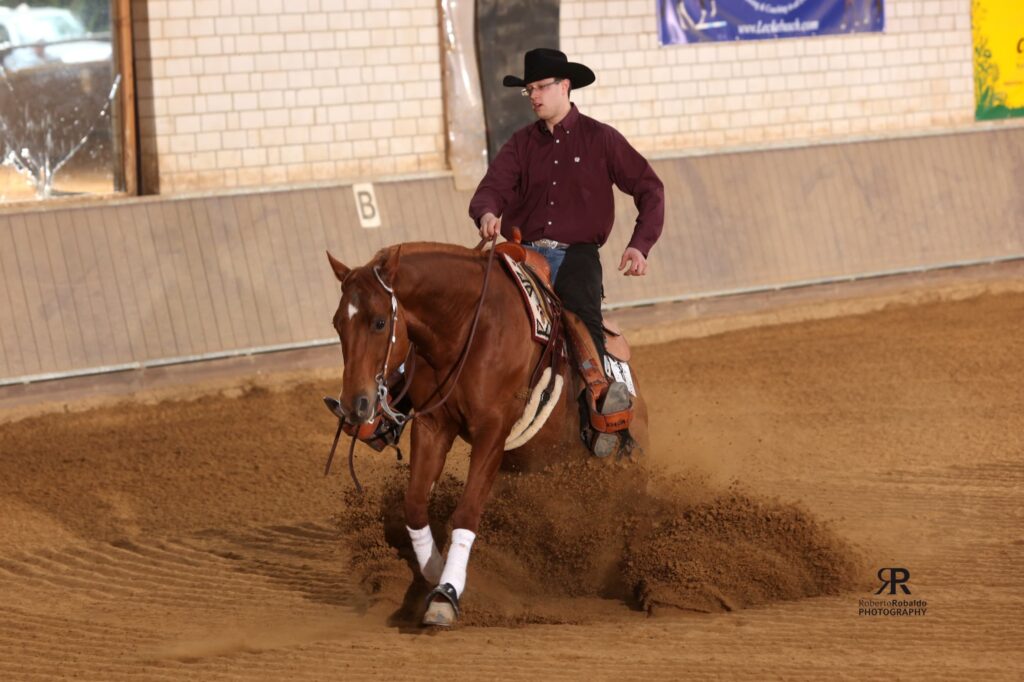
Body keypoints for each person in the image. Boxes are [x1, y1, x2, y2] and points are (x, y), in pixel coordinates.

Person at [469, 47, 664, 456]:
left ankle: (603, 412)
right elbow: (492, 188)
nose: (534, 96)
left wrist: (639, 244)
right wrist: (487, 213)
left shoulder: (601, 139)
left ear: (565, 86)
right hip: (522, 254)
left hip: (577, 255)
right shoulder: (520, 145)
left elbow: (650, 188)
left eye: (541, 87)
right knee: (477, 310)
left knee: (582, 318)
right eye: (529, 90)